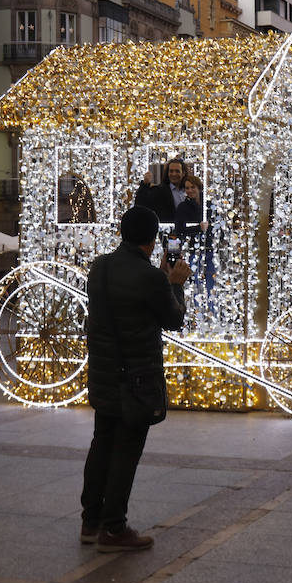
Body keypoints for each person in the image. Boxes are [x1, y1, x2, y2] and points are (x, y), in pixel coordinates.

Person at [80, 205, 188, 552]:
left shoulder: (100, 267)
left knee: (101, 445)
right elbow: (172, 319)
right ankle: (114, 528)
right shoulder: (151, 277)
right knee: (126, 451)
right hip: (136, 378)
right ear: (153, 240)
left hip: (103, 373)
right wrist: (175, 284)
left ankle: (90, 521)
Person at [174, 174, 215, 305]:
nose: (190, 190)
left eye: (192, 187)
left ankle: (211, 311)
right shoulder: (183, 207)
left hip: (210, 249)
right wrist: (198, 228)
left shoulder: (208, 205)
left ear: (199, 187)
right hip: (193, 250)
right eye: (187, 188)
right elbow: (179, 230)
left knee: (211, 284)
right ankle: (197, 312)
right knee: (195, 283)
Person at [134, 156, 188, 224]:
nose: (174, 174)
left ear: (183, 173)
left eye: (177, 171)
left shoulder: (190, 190)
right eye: (171, 171)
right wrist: (145, 184)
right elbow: (140, 205)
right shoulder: (159, 191)